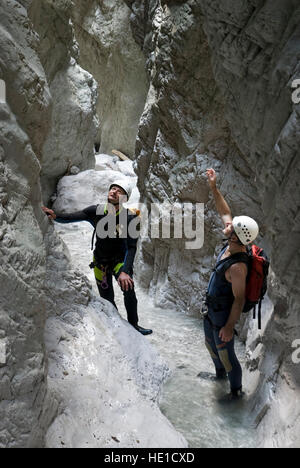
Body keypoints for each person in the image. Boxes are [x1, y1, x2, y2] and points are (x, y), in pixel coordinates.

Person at [42, 180, 153, 336]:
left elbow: (131, 247)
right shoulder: (96, 211)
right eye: (112, 189)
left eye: (119, 191)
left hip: (119, 261)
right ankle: (117, 326)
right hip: (100, 261)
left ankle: (134, 325)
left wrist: (125, 271)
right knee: (107, 299)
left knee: (128, 288)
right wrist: (55, 216)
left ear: (125, 199)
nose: (114, 192)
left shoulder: (130, 218)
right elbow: (69, 217)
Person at [203, 168, 259, 400]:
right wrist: (214, 188)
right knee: (211, 347)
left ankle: (236, 393)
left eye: (231, 227)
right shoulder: (232, 243)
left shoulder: (238, 266)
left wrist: (228, 326)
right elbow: (225, 211)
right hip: (211, 311)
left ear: (237, 236)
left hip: (223, 317)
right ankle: (219, 377)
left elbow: (239, 299)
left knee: (227, 356)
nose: (227, 225)